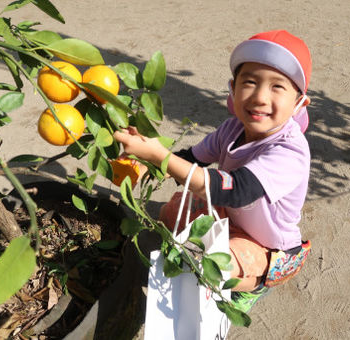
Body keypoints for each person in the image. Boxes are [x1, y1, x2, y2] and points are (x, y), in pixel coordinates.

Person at [114, 29, 312, 313]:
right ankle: (223, 252)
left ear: (298, 103)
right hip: (231, 216)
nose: (259, 97)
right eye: (250, 82)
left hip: (267, 245)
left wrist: (159, 154)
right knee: (169, 213)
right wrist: (148, 162)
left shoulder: (289, 151)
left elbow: (235, 190)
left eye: (277, 87)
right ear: (233, 88)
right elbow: (191, 159)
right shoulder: (231, 129)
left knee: (216, 265)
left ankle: (256, 283)